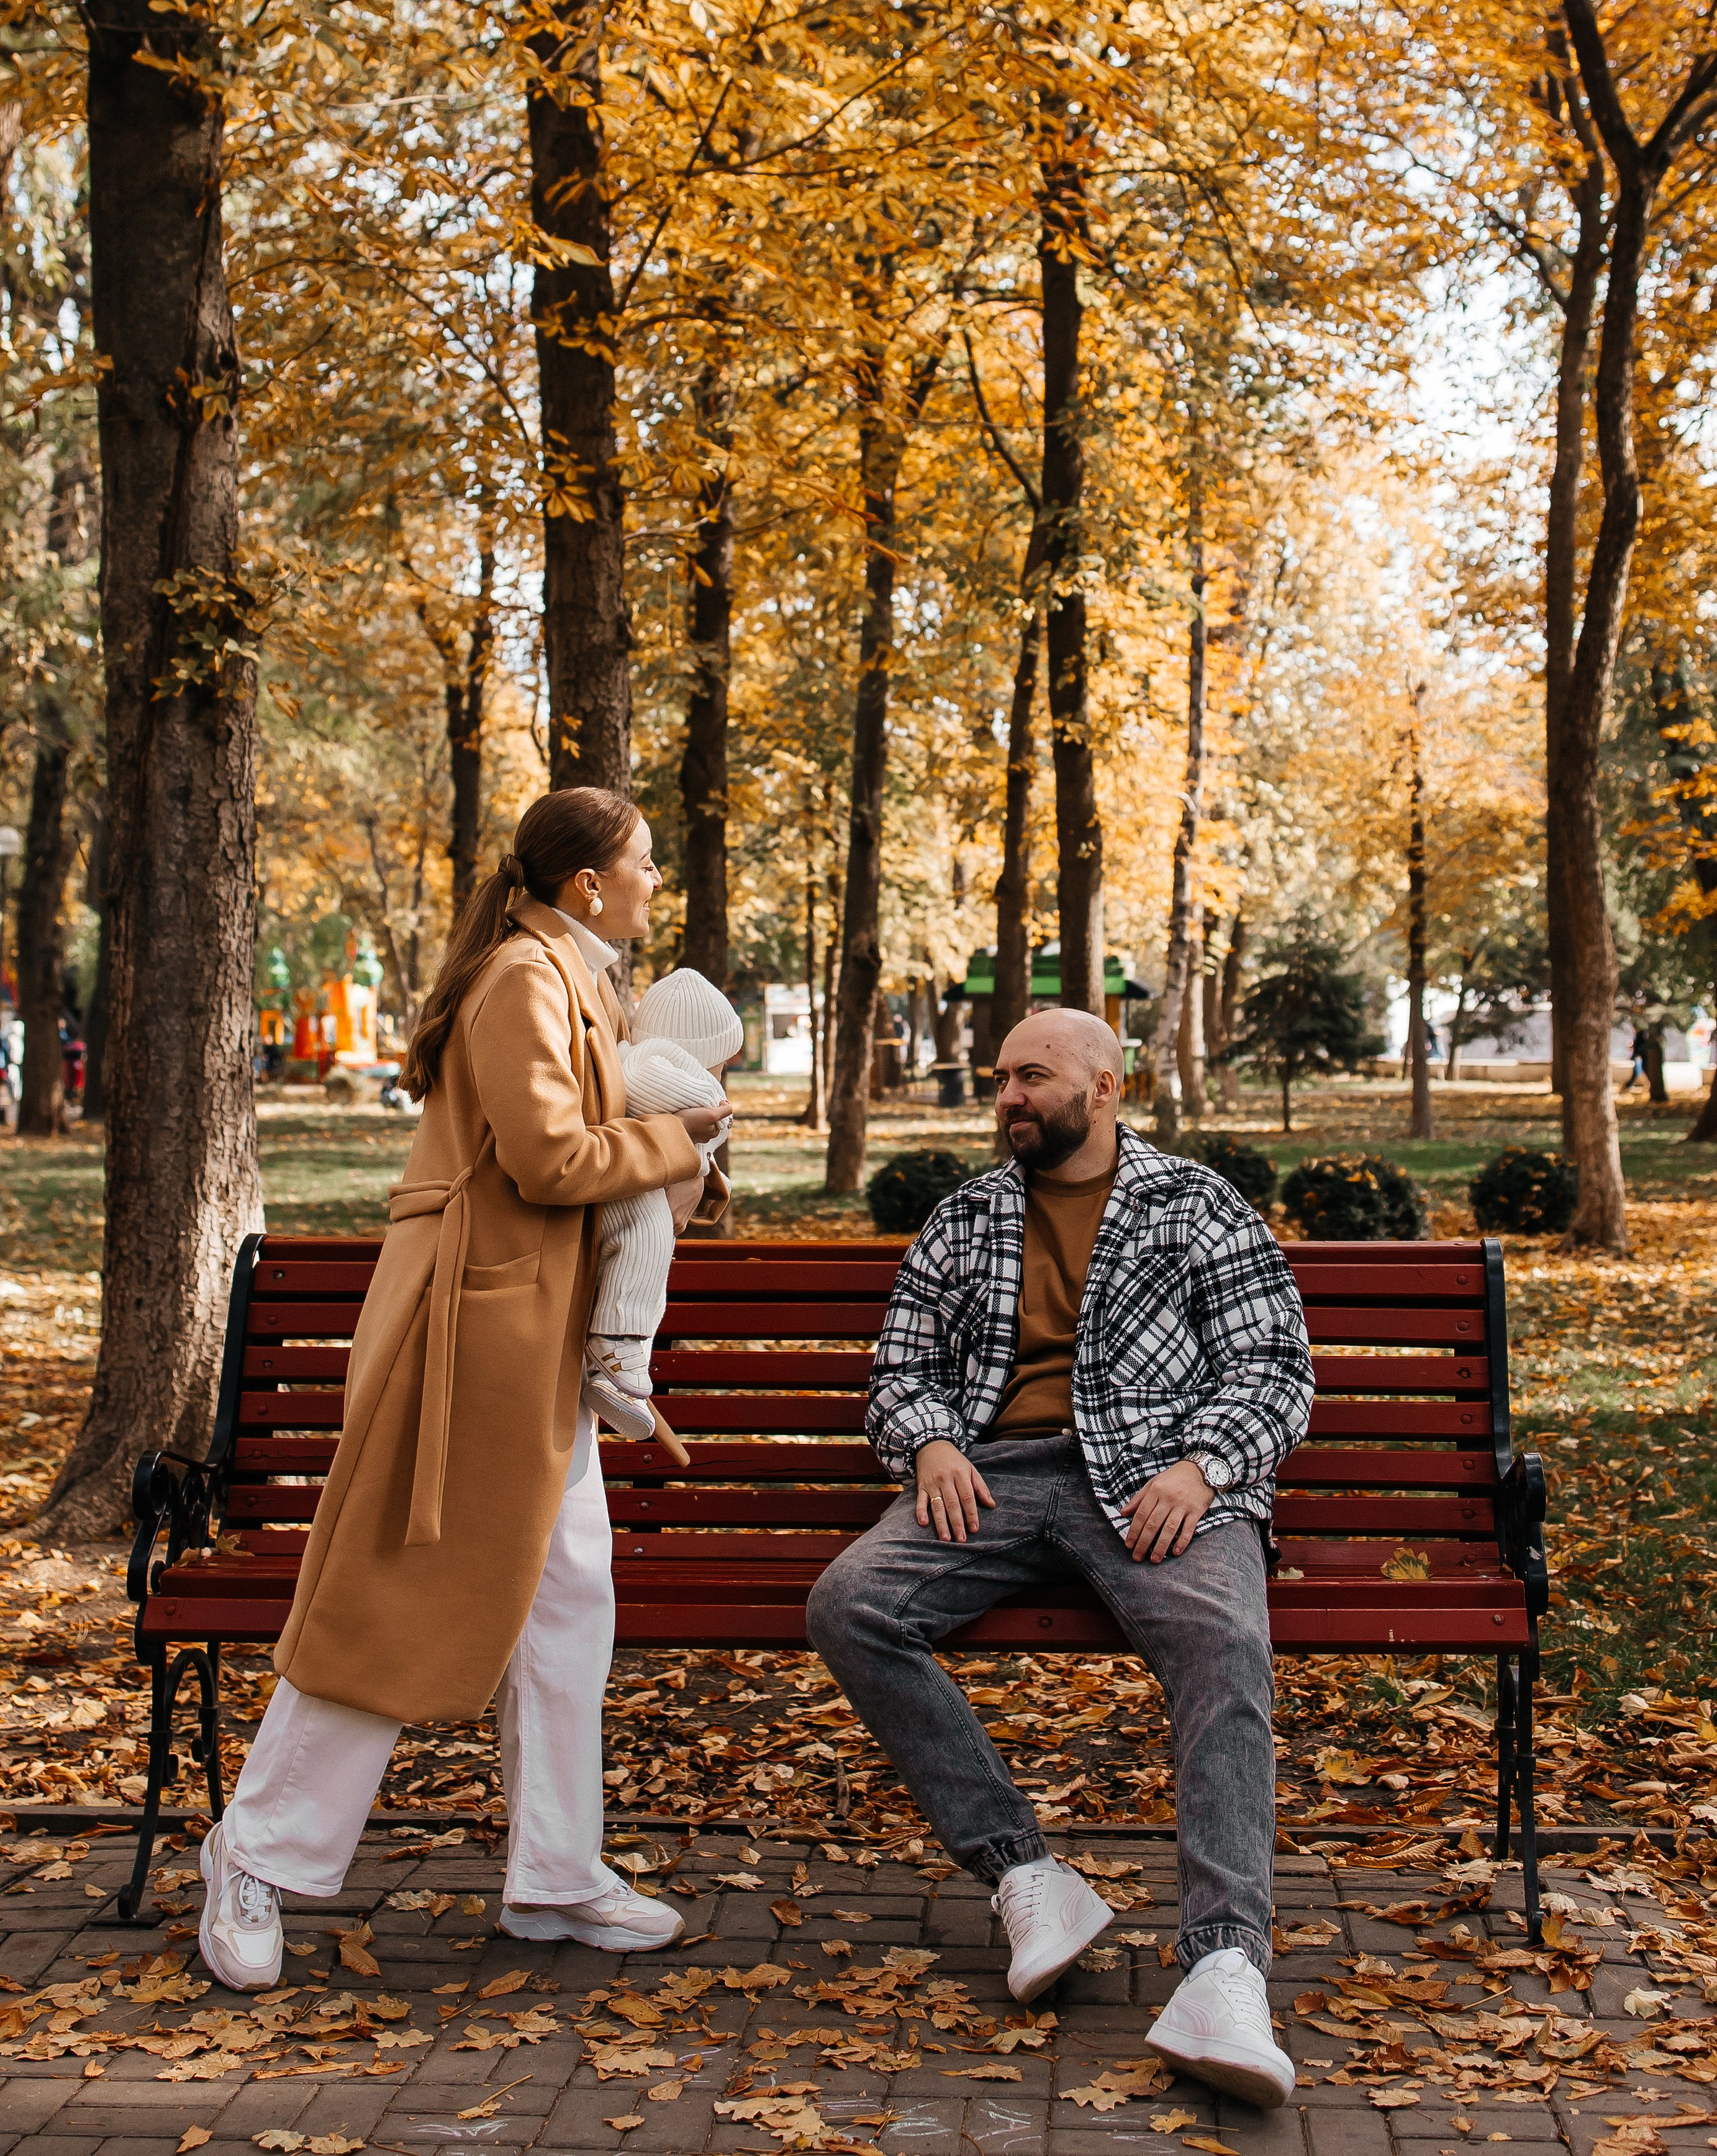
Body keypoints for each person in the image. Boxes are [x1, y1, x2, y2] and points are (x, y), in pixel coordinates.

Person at [196, 787, 730, 1993]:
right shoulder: (523, 984)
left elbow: (596, 1156)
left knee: (566, 1607)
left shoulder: (577, 982)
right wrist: (687, 1137)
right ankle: (253, 1854)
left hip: (535, 1343)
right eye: (645, 863)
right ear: (588, 883)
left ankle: (556, 1873)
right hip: (475, 1344)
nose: (655, 881)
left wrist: (682, 1149)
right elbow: (549, 1162)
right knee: (395, 1601)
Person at [807, 1008, 1314, 2107]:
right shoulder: (968, 1215)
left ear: (1107, 1085)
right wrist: (932, 1439)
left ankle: (1225, 1965)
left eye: (1033, 1077)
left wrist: (1203, 1469)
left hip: (1156, 1479)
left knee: (1224, 1645)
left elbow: (1275, 1368)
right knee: (851, 1605)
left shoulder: (1195, 1205)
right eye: (1001, 1080)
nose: (1009, 1098)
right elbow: (898, 1372)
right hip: (996, 1478)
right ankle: (1028, 1874)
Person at [582, 966, 743, 1439]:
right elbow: (638, 1084)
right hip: (624, 1188)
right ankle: (616, 1347)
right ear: (702, 1052)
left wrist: (694, 1165)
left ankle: (614, 1367)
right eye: (721, 1063)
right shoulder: (656, 1061)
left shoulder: (651, 1050)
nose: (723, 1073)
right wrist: (702, 1097)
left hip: (634, 1176)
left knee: (643, 1265)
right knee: (645, 1245)